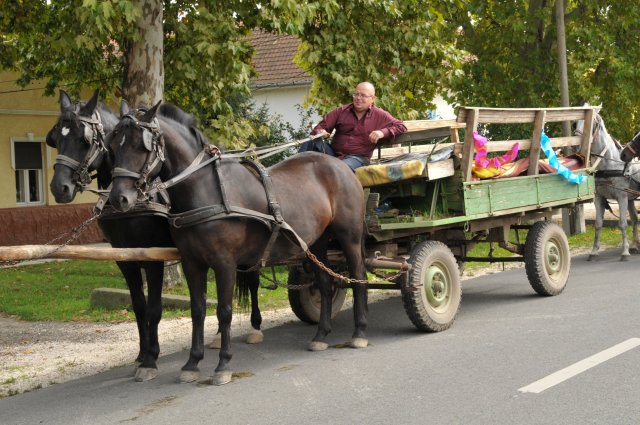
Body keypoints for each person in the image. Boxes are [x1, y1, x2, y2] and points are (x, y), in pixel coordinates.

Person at [300, 81, 407, 171]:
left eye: (363, 95)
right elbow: (320, 127)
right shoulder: (341, 111)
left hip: (358, 158)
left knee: (339, 169)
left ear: (373, 98)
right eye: (356, 94)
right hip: (333, 154)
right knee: (310, 143)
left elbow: (401, 126)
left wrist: (381, 132)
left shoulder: (380, 115)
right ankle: (295, 173)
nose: (358, 98)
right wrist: (321, 132)